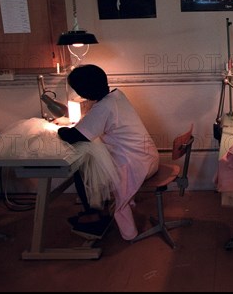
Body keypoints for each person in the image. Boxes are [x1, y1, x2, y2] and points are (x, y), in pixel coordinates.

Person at [57, 64, 159, 240]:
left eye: (79, 90)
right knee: (93, 163)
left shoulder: (103, 107)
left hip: (135, 166)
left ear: (86, 89)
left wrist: (59, 130)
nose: (80, 95)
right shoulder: (117, 96)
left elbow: (75, 136)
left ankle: (96, 215)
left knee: (81, 169)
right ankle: (97, 211)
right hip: (148, 157)